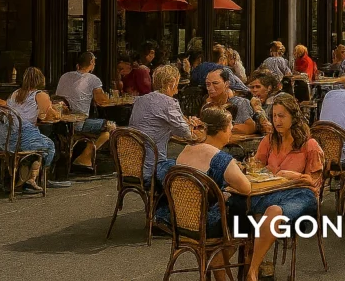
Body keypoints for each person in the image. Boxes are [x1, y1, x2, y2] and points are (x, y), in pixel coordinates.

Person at [153, 106, 264, 281]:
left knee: (237, 213)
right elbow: (246, 188)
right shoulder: (220, 158)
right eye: (229, 127)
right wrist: (226, 189)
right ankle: (239, 265)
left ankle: (219, 265)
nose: (231, 130)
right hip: (206, 223)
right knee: (244, 214)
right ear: (220, 131)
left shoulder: (187, 149)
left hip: (180, 220)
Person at [248, 94, 324, 281]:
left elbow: (315, 183)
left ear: (293, 117)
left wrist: (294, 175)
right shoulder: (270, 140)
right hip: (272, 191)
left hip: (302, 194)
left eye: (282, 116)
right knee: (241, 205)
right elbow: (256, 166)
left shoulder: (309, 145)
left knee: (272, 211)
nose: (277, 121)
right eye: (274, 116)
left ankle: (252, 271)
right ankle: (261, 264)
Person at [0, 67, 70, 192]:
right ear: (41, 80)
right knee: (49, 145)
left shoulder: (15, 93)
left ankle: (24, 179)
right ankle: (34, 179)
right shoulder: (40, 95)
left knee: (40, 142)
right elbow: (51, 116)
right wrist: (55, 110)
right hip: (24, 137)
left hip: (5, 137)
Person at [129, 64, 201, 181]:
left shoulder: (140, 100)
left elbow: (155, 125)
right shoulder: (169, 102)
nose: (177, 89)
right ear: (171, 82)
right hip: (153, 167)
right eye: (177, 84)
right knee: (194, 168)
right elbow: (186, 133)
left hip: (133, 166)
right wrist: (191, 124)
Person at [55, 51, 116, 168]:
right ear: (92, 63)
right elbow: (101, 101)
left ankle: (83, 156)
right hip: (78, 124)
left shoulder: (64, 76)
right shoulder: (93, 79)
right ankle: (85, 158)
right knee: (111, 127)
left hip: (62, 123)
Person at [204, 68, 256, 134]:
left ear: (226, 84)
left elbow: (250, 127)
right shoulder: (204, 103)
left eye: (215, 83)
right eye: (208, 84)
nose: (210, 88)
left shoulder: (239, 103)